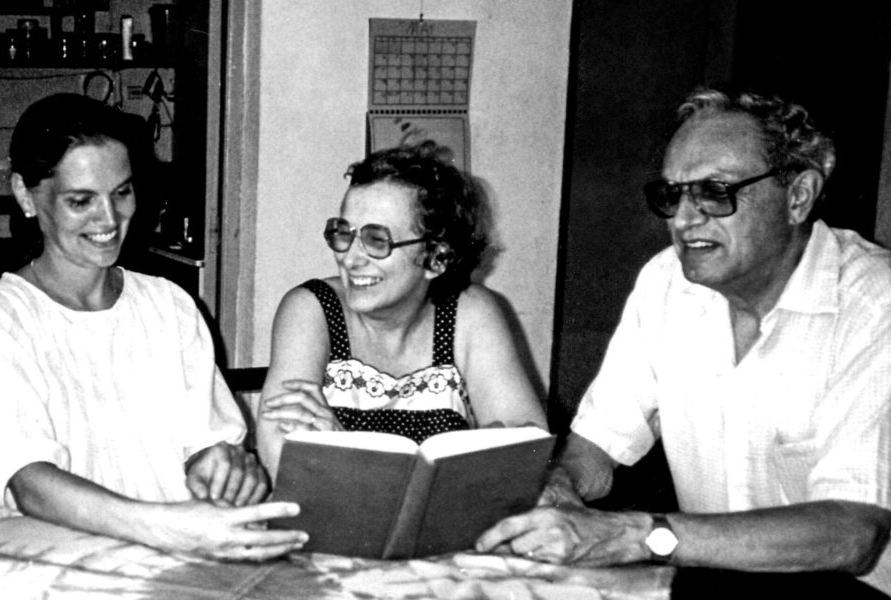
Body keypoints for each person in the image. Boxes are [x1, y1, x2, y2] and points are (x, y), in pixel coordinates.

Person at [475, 87, 891, 593]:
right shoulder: (667, 282)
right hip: (717, 579)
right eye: (672, 195)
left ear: (798, 196)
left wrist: (637, 535)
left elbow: (853, 535)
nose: (683, 219)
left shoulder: (875, 306)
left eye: (715, 191)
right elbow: (598, 448)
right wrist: (561, 484)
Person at [0, 93, 307, 562]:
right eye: (81, 200)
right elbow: (28, 484)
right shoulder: (1, 313)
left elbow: (207, 445)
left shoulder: (168, 304)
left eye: (121, 192)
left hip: (176, 561)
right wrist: (164, 528)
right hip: (59, 570)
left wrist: (224, 468)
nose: (109, 219)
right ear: (25, 194)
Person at [256, 141, 547, 477]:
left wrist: (340, 449)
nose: (350, 258)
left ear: (437, 258)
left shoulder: (473, 313)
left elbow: (527, 451)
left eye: (377, 240)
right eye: (343, 233)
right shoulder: (311, 309)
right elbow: (283, 461)